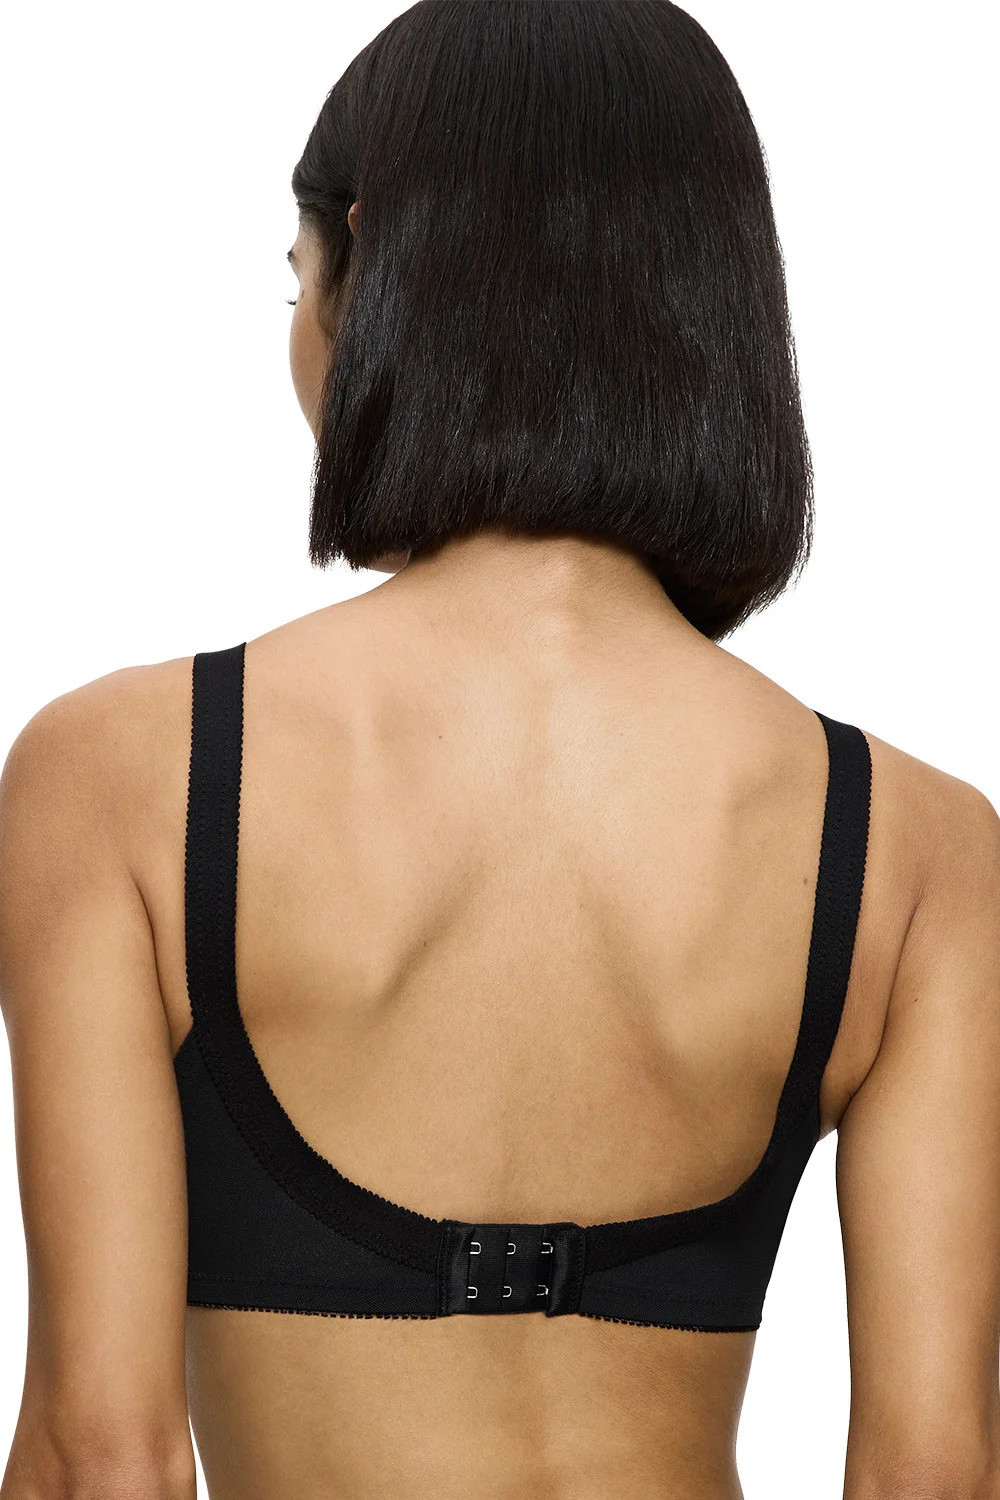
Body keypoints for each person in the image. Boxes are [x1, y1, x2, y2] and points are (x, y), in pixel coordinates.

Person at [1, 2, 998, 1497]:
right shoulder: (918, 847)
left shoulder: (130, 777)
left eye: (293, 276)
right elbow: (935, 1471)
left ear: (371, 259)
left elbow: (103, 1458)